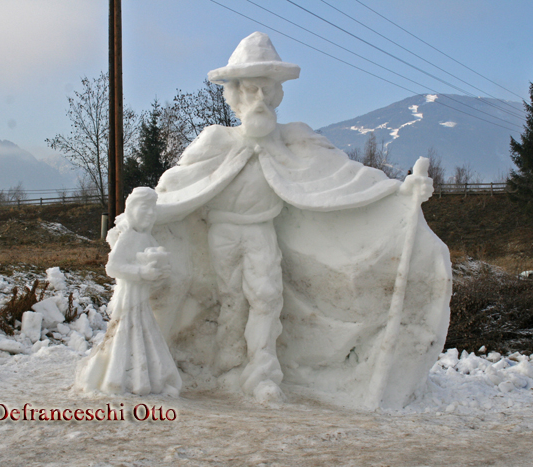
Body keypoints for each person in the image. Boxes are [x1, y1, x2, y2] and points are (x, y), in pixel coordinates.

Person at [151, 32, 447, 407]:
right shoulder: (216, 141)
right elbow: (177, 184)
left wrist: (399, 192)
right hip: (222, 232)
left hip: (261, 230)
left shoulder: (294, 140)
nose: (259, 99)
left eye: (266, 91)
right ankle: (227, 367)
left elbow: (344, 174)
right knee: (229, 299)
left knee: (266, 298)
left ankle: (261, 374)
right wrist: (147, 212)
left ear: (276, 95)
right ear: (236, 95)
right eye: (251, 90)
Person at [75, 187, 182, 397]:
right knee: (125, 334)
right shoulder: (128, 237)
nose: (150, 214)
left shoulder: (147, 239)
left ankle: (144, 378)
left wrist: (160, 273)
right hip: (129, 298)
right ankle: (118, 379)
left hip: (141, 300)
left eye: (153, 210)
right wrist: (142, 272)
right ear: (132, 210)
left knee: (143, 335)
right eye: (145, 208)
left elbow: (153, 267)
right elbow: (112, 267)